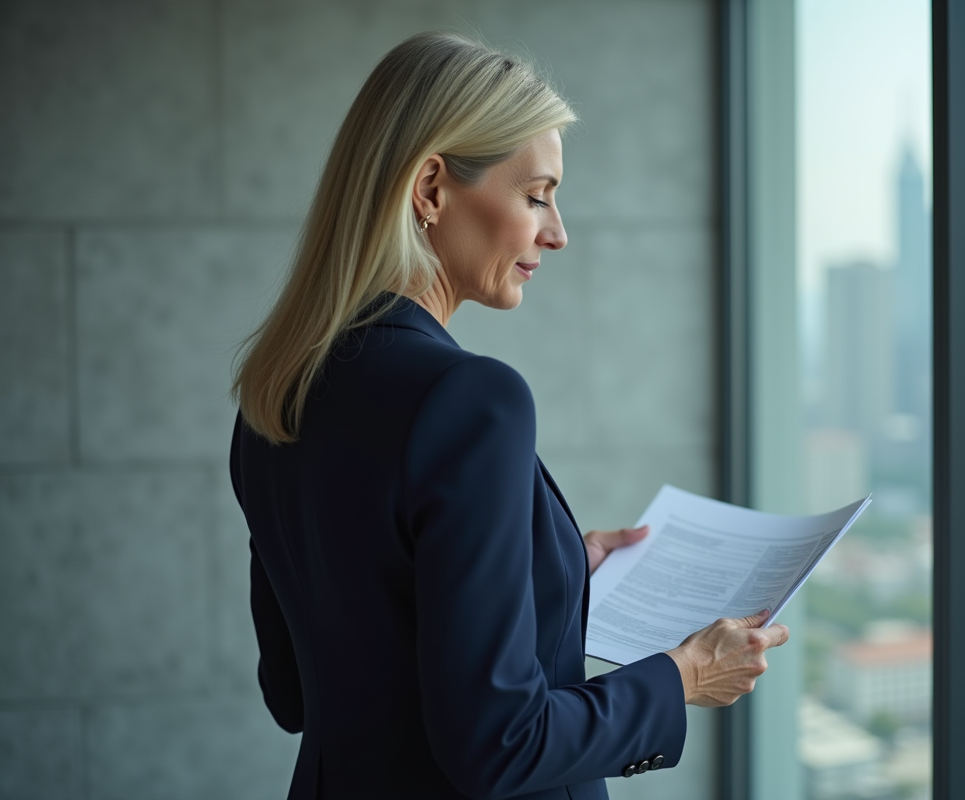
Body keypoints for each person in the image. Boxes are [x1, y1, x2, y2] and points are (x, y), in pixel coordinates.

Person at [229, 31, 789, 800]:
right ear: (430, 189)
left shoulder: (278, 391)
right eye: (536, 195)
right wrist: (681, 678)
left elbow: (295, 690)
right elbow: (501, 745)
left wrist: (548, 566)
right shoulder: (469, 399)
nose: (556, 232)